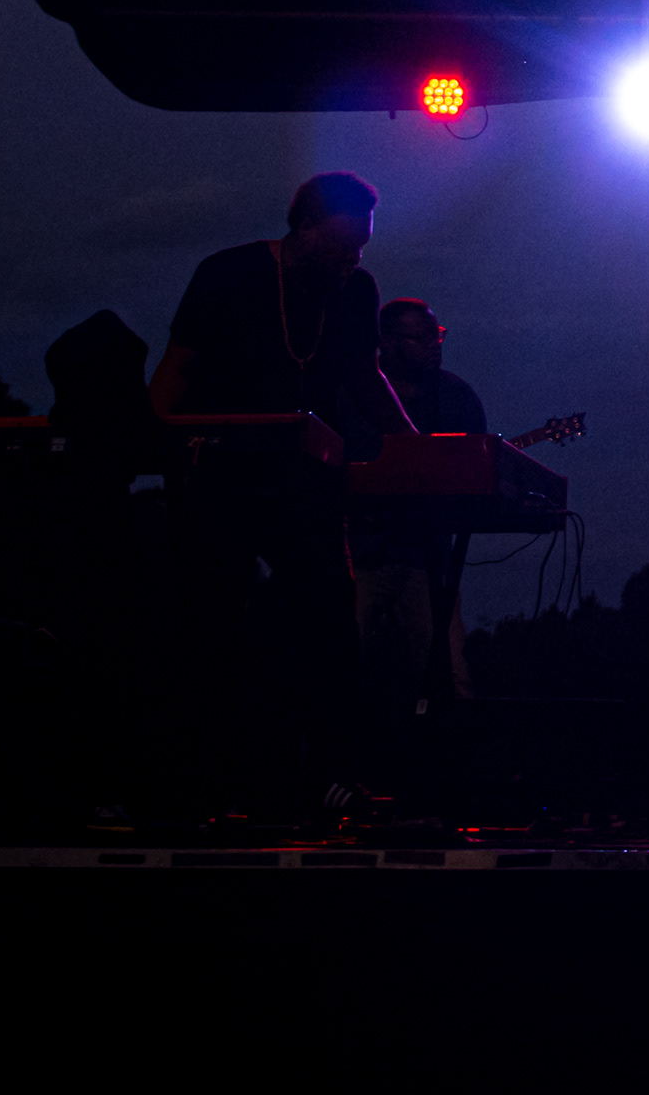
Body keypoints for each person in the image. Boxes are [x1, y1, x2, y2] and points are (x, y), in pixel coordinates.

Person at [145, 172, 387, 817]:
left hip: (306, 483)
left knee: (331, 617)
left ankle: (334, 776)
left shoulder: (356, 293)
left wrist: (421, 451)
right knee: (208, 620)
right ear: (304, 228)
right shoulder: (228, 274)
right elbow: (180, 365)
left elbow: (366, 377)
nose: (352, 260)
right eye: (343, 245)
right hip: (224, 475)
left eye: (361, 248)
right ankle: (189, 781)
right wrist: (137, 445)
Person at [350, 297, 486, 737]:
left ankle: (450, 779)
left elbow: (478, 469)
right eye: (421, 336)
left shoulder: (457, 398)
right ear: (386, 343)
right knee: (338, 661)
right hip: (357, 551)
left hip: (425, 559)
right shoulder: (352, 395)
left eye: (437, 334)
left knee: (450, 673)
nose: (434, 344)